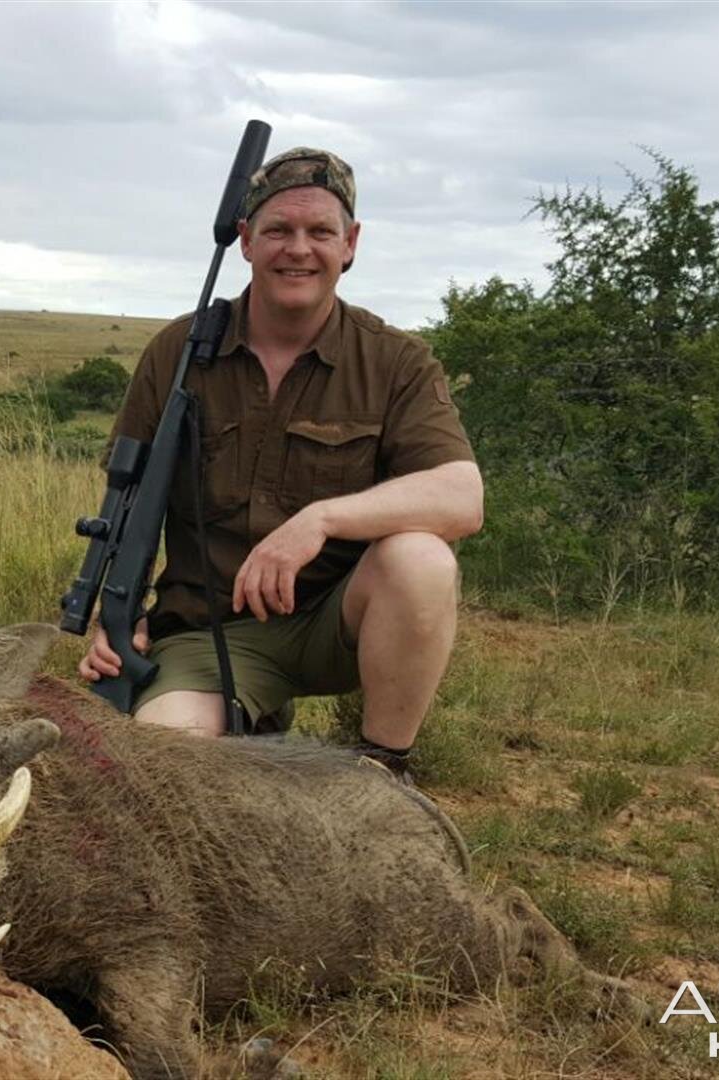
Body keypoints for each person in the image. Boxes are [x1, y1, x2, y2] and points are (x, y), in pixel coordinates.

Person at [78, 147, 482, 779]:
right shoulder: (176, 353)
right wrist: (115, 619)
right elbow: (128, 505)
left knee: (421, 559)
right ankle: (248, 719)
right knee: (165, 772)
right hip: (208, 635)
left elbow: (462, 497)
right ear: (245, 241)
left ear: (350, 243)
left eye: (320, 231)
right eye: (278, 230)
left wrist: (320, 520)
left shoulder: (396, 361)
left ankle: (384, 769)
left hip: (337, 623)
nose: (299, 249)